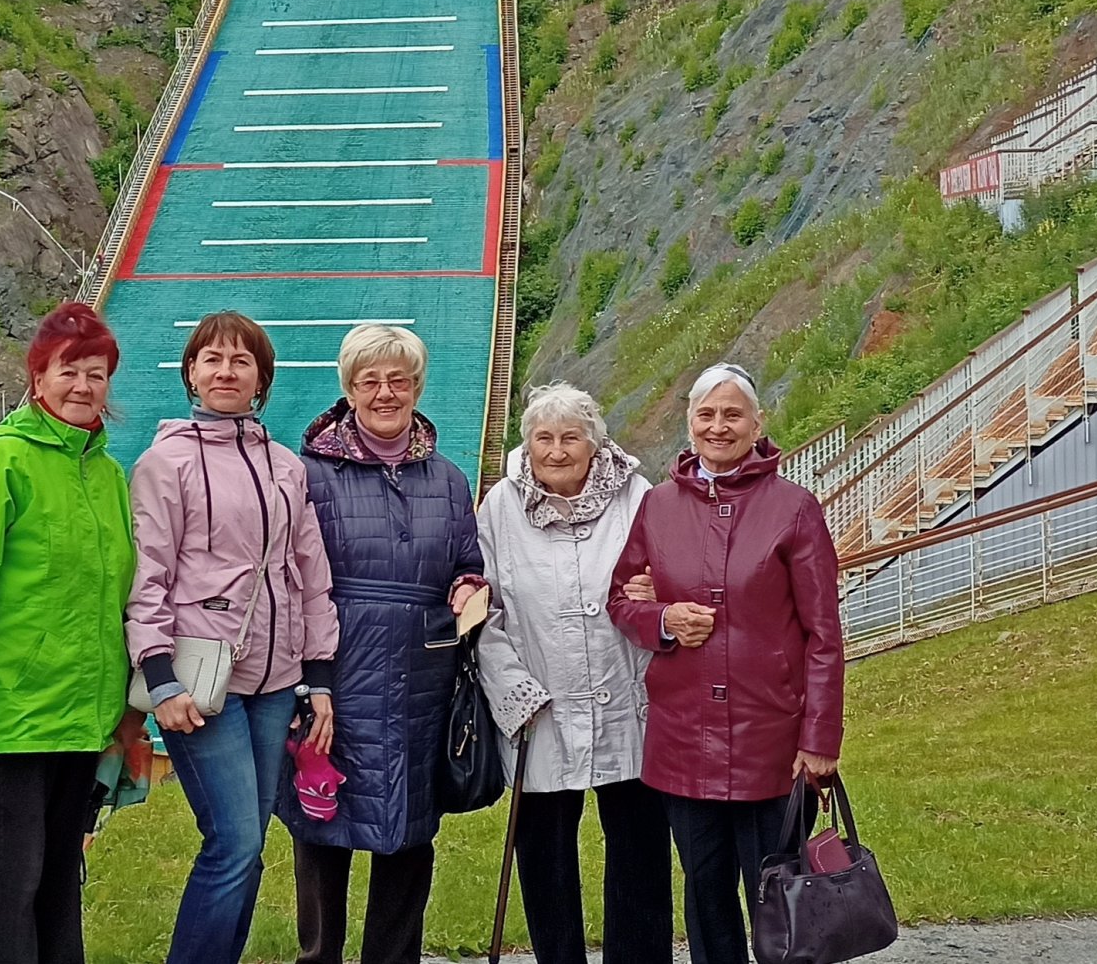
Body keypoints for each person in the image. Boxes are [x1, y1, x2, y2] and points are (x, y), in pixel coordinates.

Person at [0, 302, 137, 964]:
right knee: (13, 882)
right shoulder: (0, 463)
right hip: (15, 711)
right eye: (69, 371)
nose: (83, 387)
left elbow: (114, 592)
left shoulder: (107, 474)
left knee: (62, 880)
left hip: (81, 712)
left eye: (96, 375)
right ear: (38, 378)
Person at [608, 362, 844, 964]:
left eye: (732, 414)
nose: (719, 427)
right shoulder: (657, 507)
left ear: (757, 423)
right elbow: (619, 600)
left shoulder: (794, 508)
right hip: (684, 739)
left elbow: (824, 634)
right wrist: (661, 619)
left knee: (778, 898)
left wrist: (820, 739)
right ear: (689, 424)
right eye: (706, 415)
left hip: (770, 738)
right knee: (706, 897)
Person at [126, 311, 340, 964]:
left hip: (275, 683)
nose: (226, 371)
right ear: (190, 373)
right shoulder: (165, 462)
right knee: (234, 841)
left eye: (241, 361)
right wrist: (159, 676)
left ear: (261, 381)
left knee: (248, 850)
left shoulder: (285, 467)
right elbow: (148, 574)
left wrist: (320, 677)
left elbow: (310, 574)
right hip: (201, 680)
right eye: (212, 359)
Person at [278, 323, 485, 964]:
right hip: (335, 667)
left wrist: (468, 585)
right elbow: (290, 573)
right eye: (371, 380)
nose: (386, 392)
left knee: (409, 829)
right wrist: (309, 678)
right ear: (349, 388)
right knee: (322, 818)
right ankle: (320, 957)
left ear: (418, 387)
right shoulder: (308, 472)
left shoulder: (447, 478)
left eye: (399, 379)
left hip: (422, 673)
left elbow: (466, 559)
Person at [475, 382, 672, 964]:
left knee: (638, 846)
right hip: (542, 705)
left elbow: (676, 576)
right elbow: (482, 611)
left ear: (594, 442)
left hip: (629, 700)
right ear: (527, 444)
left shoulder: (640, 496)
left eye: (571, 437)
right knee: (545, 851)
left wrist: (661, 592)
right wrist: (514, 690)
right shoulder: (500, 507)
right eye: (544, 438)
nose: (557, 451)